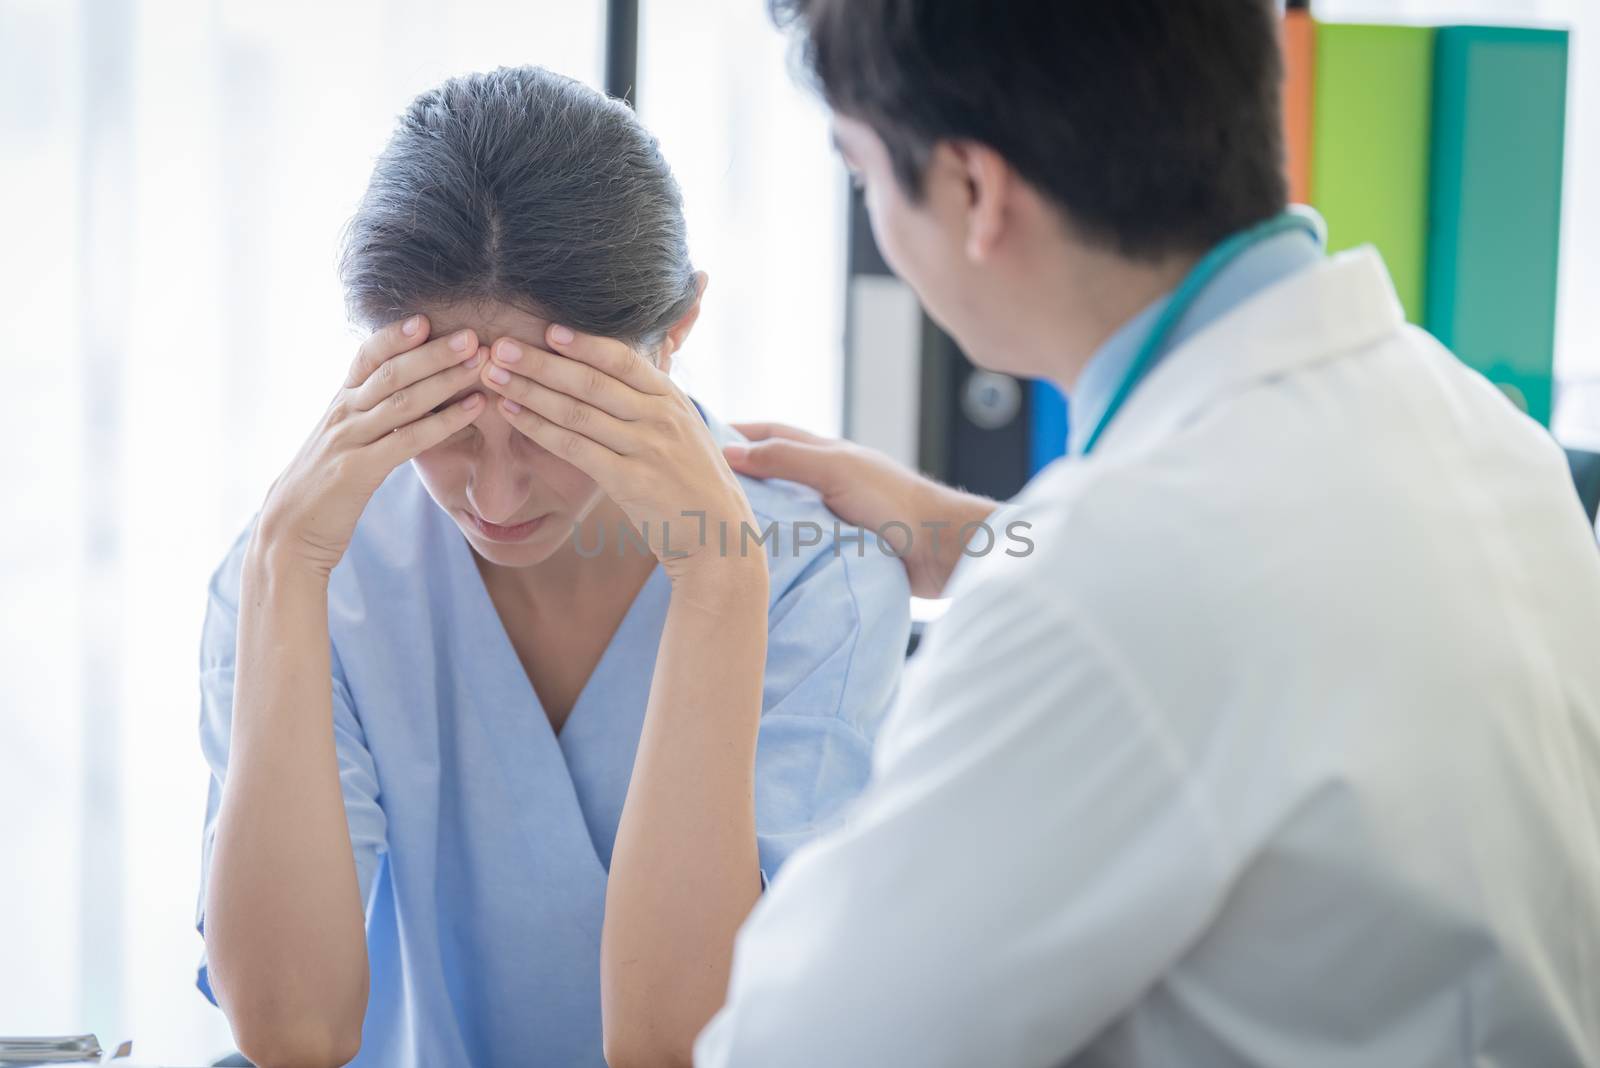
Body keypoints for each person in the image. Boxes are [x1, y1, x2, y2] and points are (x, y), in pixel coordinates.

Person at [697, 2, 1600, 1065]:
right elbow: (1275, 599)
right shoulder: (1482, 429)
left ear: (974, 192)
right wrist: (986, 537)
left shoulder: (1098, 590)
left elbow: (792, 1050)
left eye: (861, 174)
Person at [194, 66, 908, 1068]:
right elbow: (291, 1032)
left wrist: (717, 586)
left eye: (551, 422)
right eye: (442, 421)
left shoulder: (811, 579)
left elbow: (681, 1045)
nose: (493, 498)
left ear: (674, 339)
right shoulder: (307, 568)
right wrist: (282, 567)